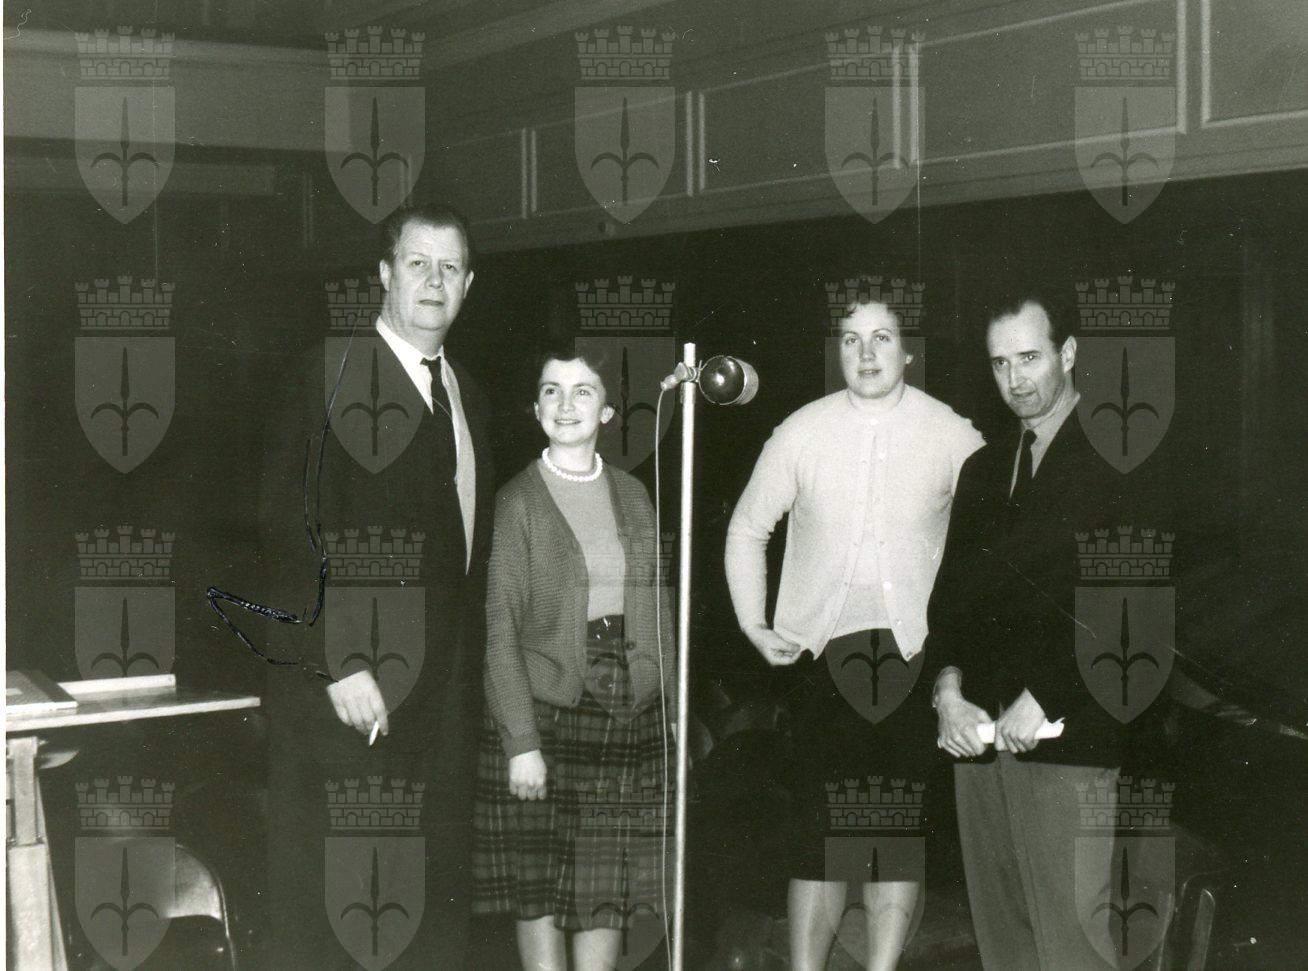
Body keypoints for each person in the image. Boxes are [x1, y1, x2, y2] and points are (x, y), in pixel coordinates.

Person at [257, 204, 495, 968]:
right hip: (350, 701)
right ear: (385, 274)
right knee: (339, 911)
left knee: (427, 909)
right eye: (418, 263)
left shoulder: (467, 393)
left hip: (442, 708)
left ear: (468, 285)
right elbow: (284, 528)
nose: (435, 281)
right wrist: (338, 658)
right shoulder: (327, 373)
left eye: (450, 267)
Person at [725, 295, 983, 971]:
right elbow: (747, 528)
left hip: (913, 662)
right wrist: (755, 624)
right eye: (850, 339)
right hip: (820, 662)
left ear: (907, 351)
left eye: (882, 338)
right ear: (836, 350)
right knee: (819, 843)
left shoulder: (952, 433)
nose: (866, 353)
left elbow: (992, 539)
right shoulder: (799, 432)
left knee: (893, 841)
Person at [925, 287, 1129, 970]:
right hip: (980, 742)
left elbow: (1132, 607)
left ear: (1068, 353)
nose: (1014, 379)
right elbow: (950, 599)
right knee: (1004, 944)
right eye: (999, 363)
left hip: (1069, 736)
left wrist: (1047, 692)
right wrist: (947, 691)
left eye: (1030, 358)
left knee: (1071, 947)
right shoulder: (983, 470)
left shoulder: (1118, 456)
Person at [472, 349, 675, 971]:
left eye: (583, 391)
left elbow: (657, 606)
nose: (565, 405)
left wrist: (667, 705)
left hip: (626, 710)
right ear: (535, 408)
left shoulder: (634, 494)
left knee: (605, 886)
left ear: (607, 412)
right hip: (545, 710)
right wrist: (521, 742)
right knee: (536, 885)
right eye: (551, 391)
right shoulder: (517, 500)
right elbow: (499, 627)